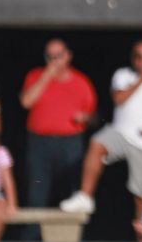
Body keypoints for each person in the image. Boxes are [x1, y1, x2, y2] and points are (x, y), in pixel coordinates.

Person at [60, 40, 142, 218]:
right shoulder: (123, 75)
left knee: (141, 198)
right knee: (97, 143)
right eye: (138, 57)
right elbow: (119, 99)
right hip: (120, 132)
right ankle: (85, 197)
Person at [20, 39, 97, 224]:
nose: (54, 60)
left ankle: (70, 240)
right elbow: (26, 102)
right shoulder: (35, 75)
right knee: (37, 191)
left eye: (59, 56)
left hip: (70, 141)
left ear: (68, 56)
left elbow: (95, 117)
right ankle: (33, 239)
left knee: (70, 192)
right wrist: (47, 76)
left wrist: (86, 118)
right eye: (50, 56)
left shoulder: (81, 82)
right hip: (40, 141)